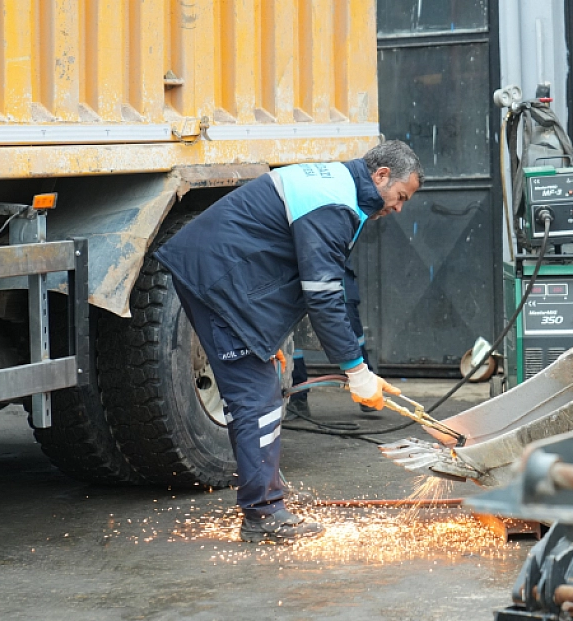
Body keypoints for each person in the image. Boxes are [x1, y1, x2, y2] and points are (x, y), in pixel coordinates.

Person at [155, 141, 424, 543]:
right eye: (401, 196)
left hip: (219, 273)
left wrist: (270, 335)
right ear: (381, 176)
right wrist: (356, 369)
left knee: (258, 389)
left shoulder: (339, 185)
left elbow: (286, 263)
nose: (399, 208)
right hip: (218, 278)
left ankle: (263, 492)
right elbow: (323, 294)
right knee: (256, 397)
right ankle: (263, 515)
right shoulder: (336, 205)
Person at [288, 259, 374, 420]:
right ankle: (296, 397)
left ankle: (368, 388)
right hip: (290, 264)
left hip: (332, 262)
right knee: (290, 332)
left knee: (348, 321)